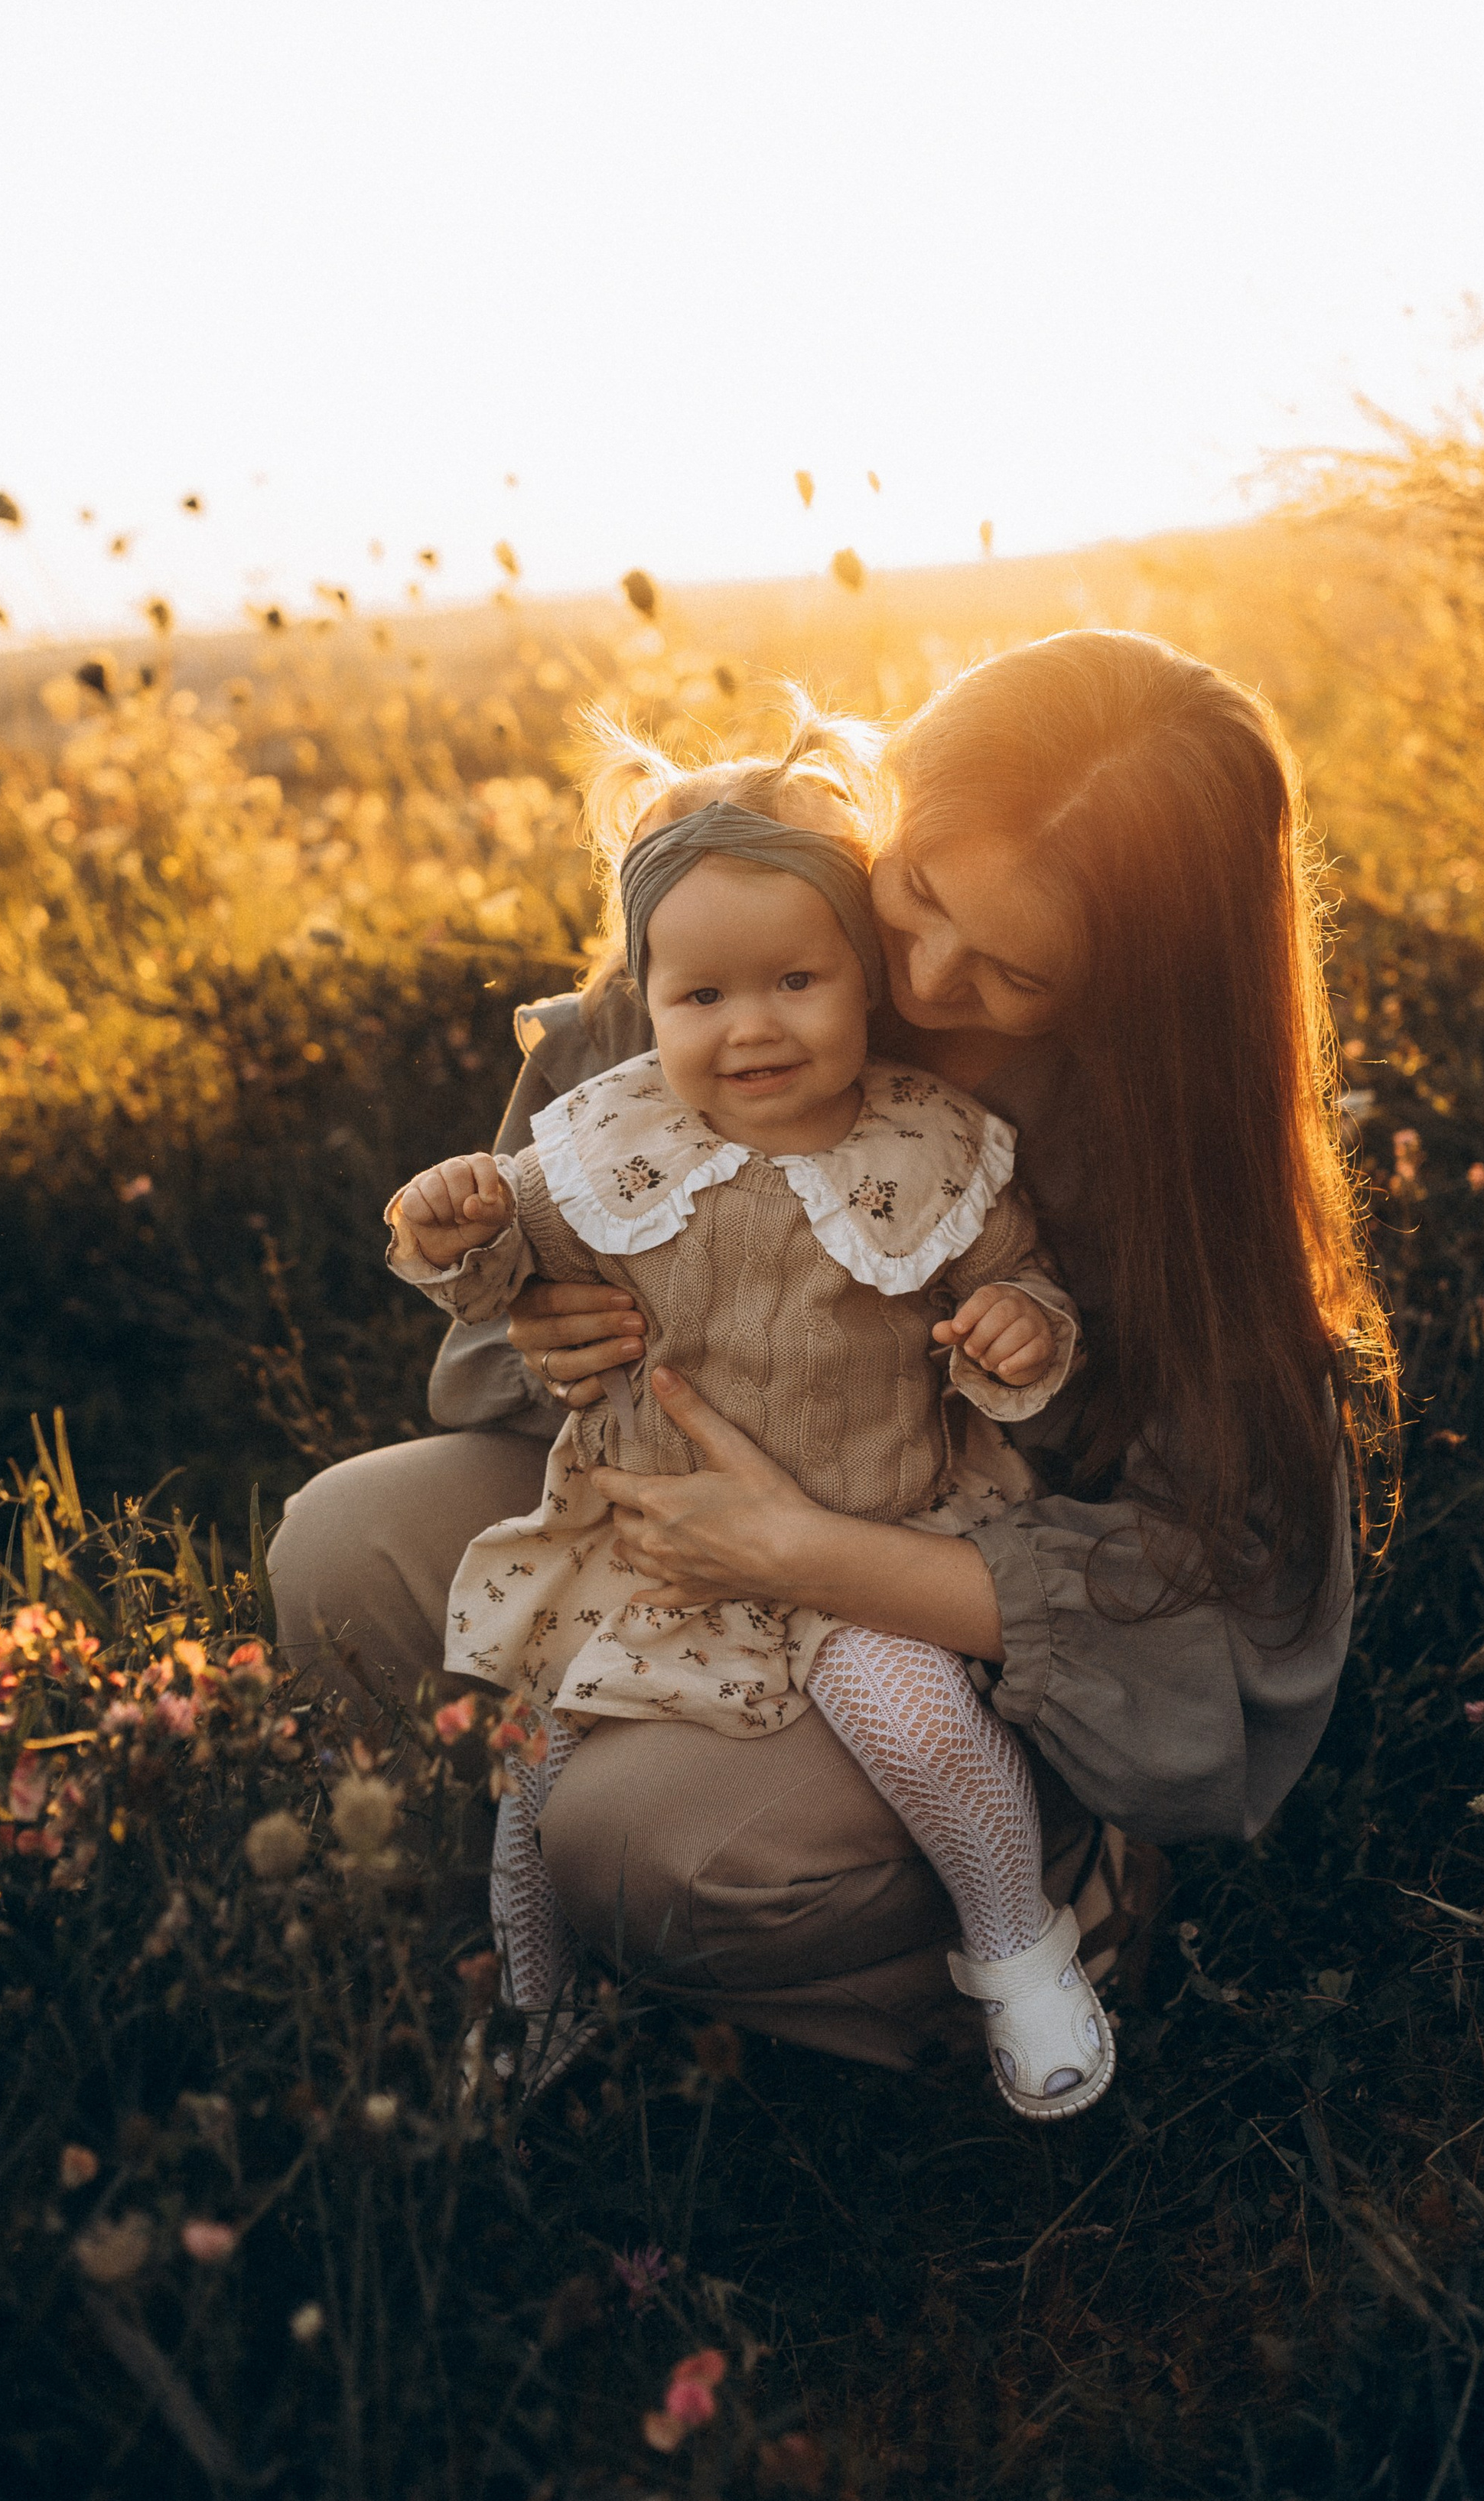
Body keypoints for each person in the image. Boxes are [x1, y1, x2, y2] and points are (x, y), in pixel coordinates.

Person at [272, 630, 1393, 2076]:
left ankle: (1031, 1902)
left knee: (642, 1854)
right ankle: (480, 1959)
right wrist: (545, 1327)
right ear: (891, 796)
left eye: (1013, 972)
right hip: (647, 1506)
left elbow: (1217, 1596)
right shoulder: (749, 930)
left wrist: (804, 1552)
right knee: (342, 1550)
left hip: (927, 1593)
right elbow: (500, 1286)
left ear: (1135, 982)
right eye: (915, 892)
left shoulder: (1165, 1156)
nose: (920, 974)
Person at [385, 737, 1110, 2118]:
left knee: (921, 1729)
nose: (751, 1028)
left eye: (796, 981)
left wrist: (1024, 1324)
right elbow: (508, 1262)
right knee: (535, 1790)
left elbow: (1010, 1271)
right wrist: (456, 1229)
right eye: (701, 993)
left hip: (867, 1533)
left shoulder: (930, 1142)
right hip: (651, 1545)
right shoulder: (612, 1137)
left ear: (864, 978)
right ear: (644, 1001)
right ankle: (533, 2018)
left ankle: (1023, 1951)